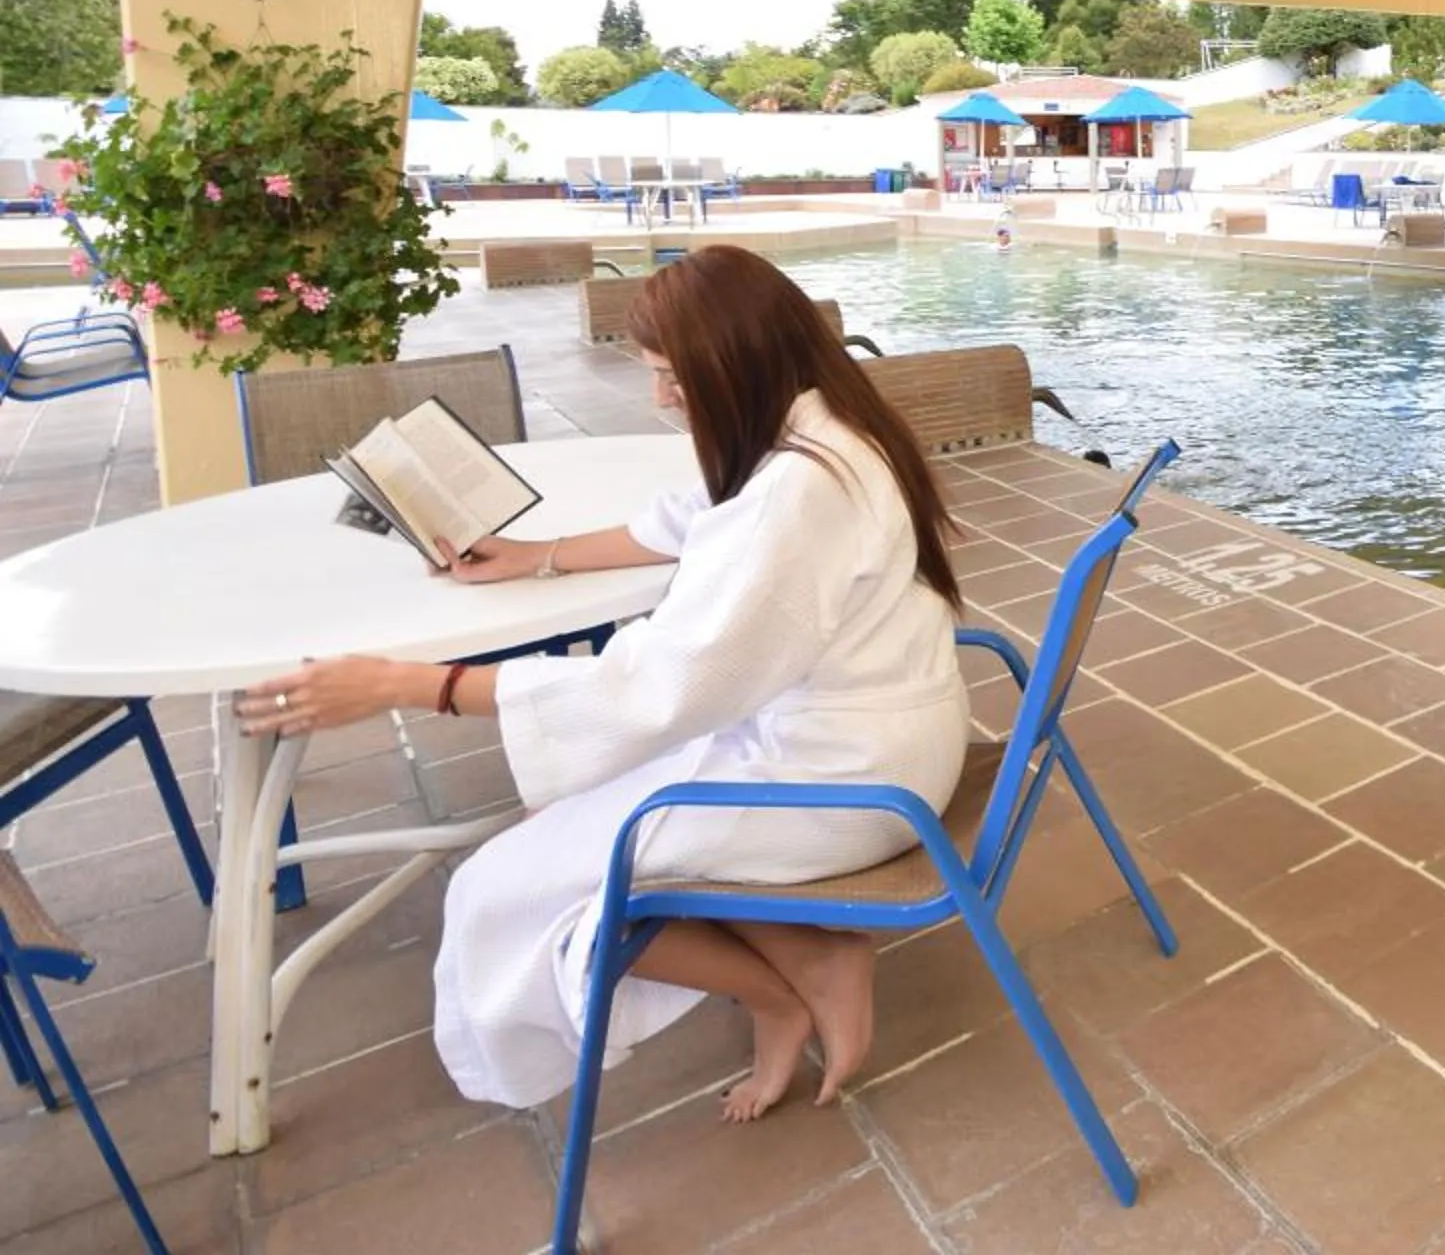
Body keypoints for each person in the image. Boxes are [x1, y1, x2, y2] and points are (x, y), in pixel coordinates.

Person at [243, 245, 971, 1122]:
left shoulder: (799, 492)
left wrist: (413, 685)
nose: (661, 398)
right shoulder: (830, 430)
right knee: (559, 808)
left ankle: (779, 989)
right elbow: (691, 518)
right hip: (872, 741)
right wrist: (535, 555)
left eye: (674, 378)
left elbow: (663, 683)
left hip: (846, 785)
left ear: (739, 364)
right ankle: (807, 951)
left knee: (500, 892)